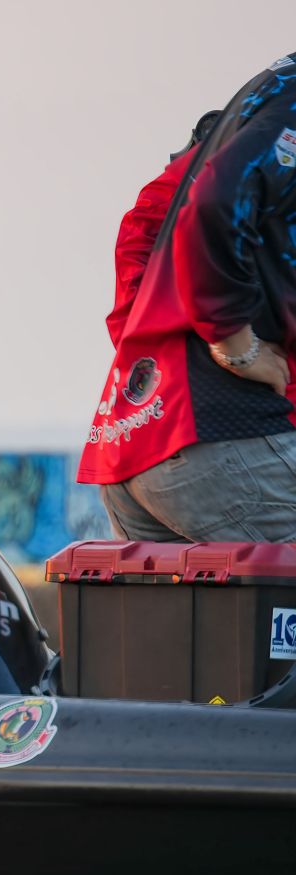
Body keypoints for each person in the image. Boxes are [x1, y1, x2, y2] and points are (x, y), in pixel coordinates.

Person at [78, 53, 296, 541]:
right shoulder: (282, 109)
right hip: (228, 438)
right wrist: (234, 343)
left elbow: (141, 247)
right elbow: (216, 203)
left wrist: (161, 358)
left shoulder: (252, 111)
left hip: (138, 441)